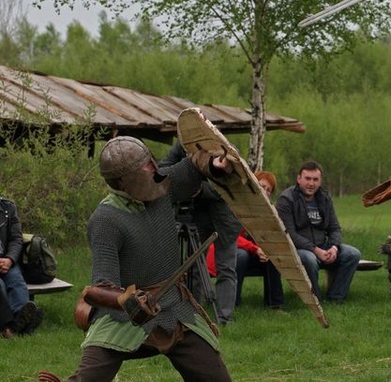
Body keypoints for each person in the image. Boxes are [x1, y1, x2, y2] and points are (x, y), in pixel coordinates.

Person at [39, 136, 232, 381]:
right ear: (124, 180)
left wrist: (216, 163)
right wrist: (132, 300)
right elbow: (101, 287)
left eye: (150, 161)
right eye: (145, 167)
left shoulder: (161, 186)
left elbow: (192, 168)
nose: (153, 168)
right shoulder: (105, 220)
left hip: (176, 308)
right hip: (126, 315)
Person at [160, 141, 243, 325]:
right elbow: (163, 169)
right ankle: (193, 313)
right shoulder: (183, 146)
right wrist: (183, 174)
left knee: (226, 268)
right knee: (193, 266)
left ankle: (224, 318)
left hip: (225, 218)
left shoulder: (226, 149)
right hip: (196, 215)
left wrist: (196, 188)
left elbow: (230, 185)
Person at [276, 161, 360, 304]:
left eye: (315, 179)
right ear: (299, 179)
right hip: (299, 249)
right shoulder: (287, 199)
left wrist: (334, 247)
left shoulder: (324, 198)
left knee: (353, 254)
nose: (311, 183)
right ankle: (315, 300)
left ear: (320, 181)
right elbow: (289, 234)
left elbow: (335, 228)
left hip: (324, 245)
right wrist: (316, 250)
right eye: (307, 178)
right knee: (309, 259)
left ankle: (336, 298)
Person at [207, 171, 284, 309]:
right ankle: (232, 303)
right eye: (262, 186)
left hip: (252, 253)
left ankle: (275, 305)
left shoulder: (267, 212)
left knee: (272, 256)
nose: (264, 192)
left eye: (268, 190)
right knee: (241, 256)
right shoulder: (235, 205)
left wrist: (265, 250)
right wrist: (255, 249)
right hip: (225, 251)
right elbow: (231, 236)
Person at [0, 197, 43, 338]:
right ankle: (9, 325)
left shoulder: (8, 207)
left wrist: (10, 259)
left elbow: (16, 239)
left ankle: (20, 319)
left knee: (16, 281)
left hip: (5, 260)